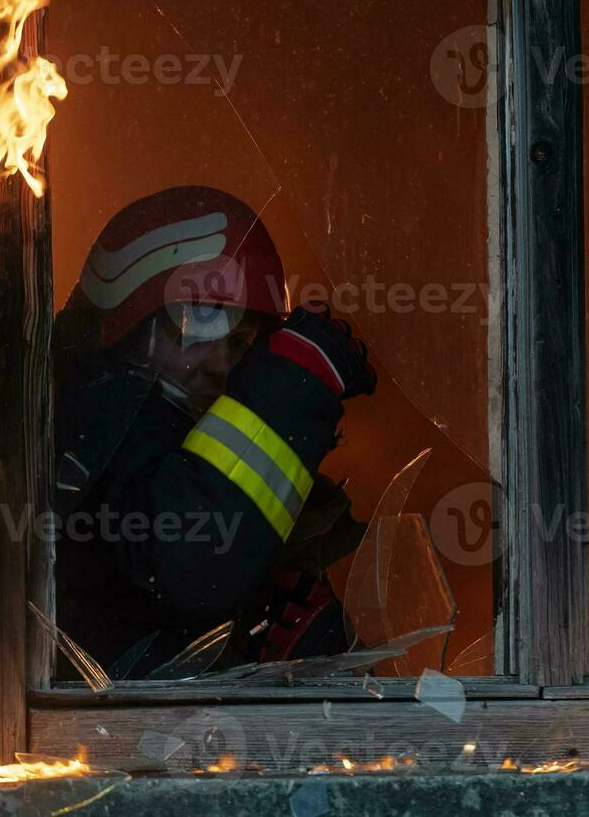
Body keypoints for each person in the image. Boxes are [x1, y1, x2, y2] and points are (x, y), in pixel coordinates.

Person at [53, 185, 376, 678]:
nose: (221, 364)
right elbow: (192, 557)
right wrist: (294, 385)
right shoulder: (91, 431)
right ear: (126, 320)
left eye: (243, 342)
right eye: (201, 320)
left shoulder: (183, 452)